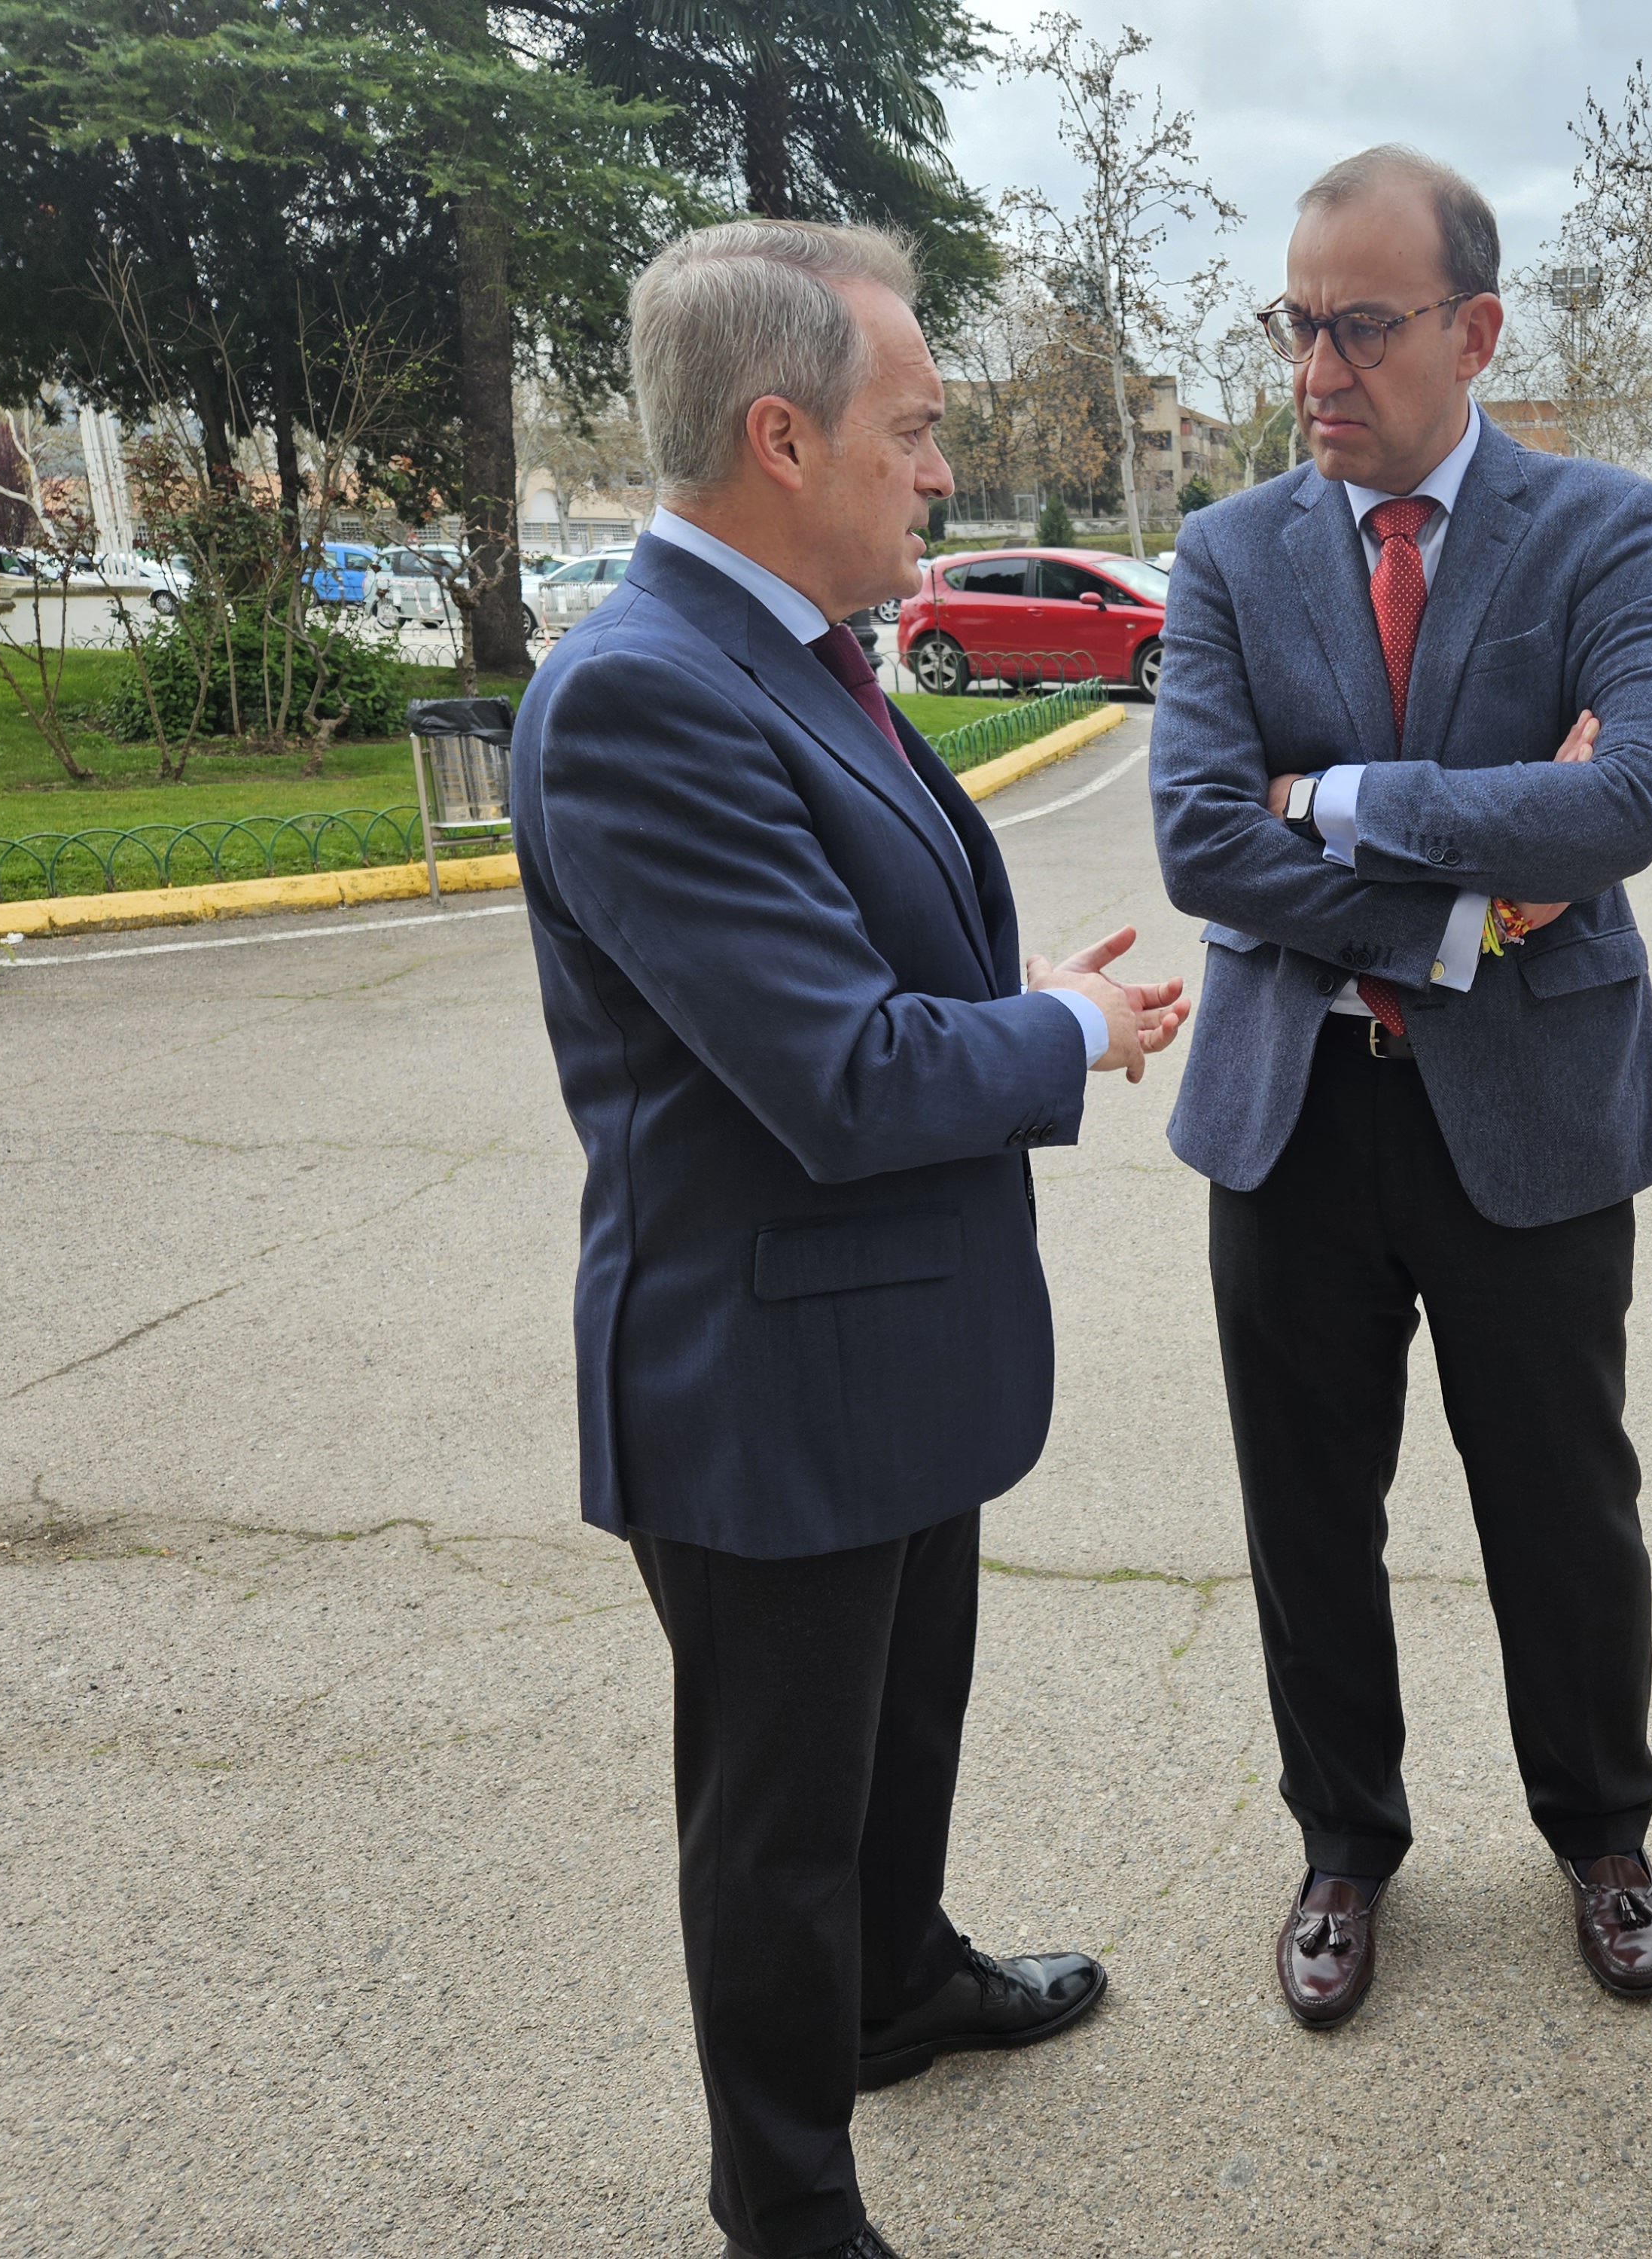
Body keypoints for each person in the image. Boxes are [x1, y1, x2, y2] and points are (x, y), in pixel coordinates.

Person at [508, 218, 1187, 2259]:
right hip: (766, 1385)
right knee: (780, 1829)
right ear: (781, 436)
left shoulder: (784, 654)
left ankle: (903, 1993)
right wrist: (1061, 1029)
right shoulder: (645, 696)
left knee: (902, 1745)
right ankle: (785, 2203)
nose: (942, 474)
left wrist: (1005, 994)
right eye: (917, 430)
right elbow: (836, 1072)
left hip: (890, 1351)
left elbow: (855, 975)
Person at [1149, 146, 1652, 2027]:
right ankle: (1342, 1846)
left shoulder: (1603, 528)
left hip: (1535, 1114)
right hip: (1293, 1112)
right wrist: (1465, 906)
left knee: (1561, 1501)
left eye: (1359, 326)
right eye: (1296, 323)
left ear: (1472, 329)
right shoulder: (1225, 553)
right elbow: (1205, 844)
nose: (1316, 366)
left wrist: (1350, 801)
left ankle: (1600, 1833)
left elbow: (1622, 804)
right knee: (1308, 1511)